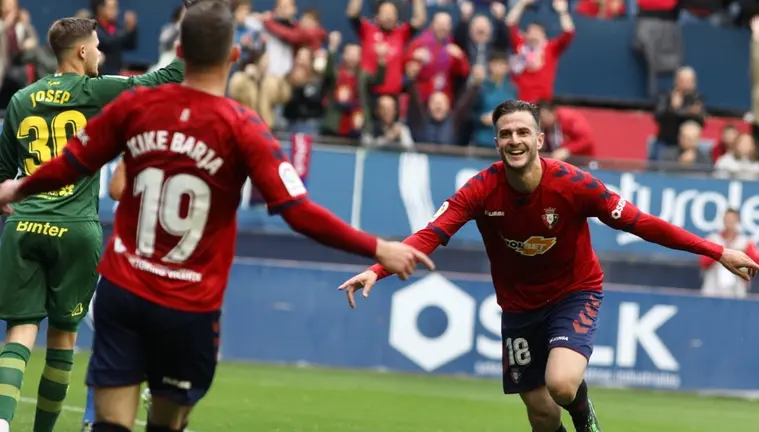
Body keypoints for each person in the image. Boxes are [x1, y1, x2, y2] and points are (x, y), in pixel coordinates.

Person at [0, 1, 434, 430]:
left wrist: (20, 186)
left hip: (125, 290)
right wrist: (378, 248)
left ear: (181, 52)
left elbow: (71, 162)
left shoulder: (133, 111)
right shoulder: (242, 127)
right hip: (188, 304)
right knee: (165, 423)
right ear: (232, 56)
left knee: (110, 423)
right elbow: (298, 212)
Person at [339, 100, 759, 432]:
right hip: (519, 310)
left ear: (540, 139)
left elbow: (642, 223)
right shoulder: (479, 190)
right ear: (497, 142)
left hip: (573, 293)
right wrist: (376, 268)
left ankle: (587, 421)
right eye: (506, 134)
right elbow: (428, 234)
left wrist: (715, 251)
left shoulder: (575, 184)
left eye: (523, 131)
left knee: (562, 384)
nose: (515, 140)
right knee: (541, 416)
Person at [0, 11, 187, 432]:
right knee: (63, 341)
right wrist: (192, 28)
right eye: (98, 46)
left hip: (24, 227)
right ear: (83, 51)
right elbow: (168, 77)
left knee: (19, 334)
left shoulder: (20, 99)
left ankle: (1, 421)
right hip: (76, 229)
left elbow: (1, 175)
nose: (101, 52)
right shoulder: (97, 91)